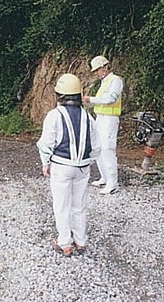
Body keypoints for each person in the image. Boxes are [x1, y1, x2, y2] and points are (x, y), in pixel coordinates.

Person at [37, 73, 98, 257]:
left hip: (61, 166)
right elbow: (96, 146)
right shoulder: (88, 117)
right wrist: (88, 162)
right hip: (82, 167)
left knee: (62, 205)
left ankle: (65, 243)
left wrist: (45, 163)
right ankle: (81, 241)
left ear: (59, 94)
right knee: (78, 205)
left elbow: (46, 144)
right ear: (79, 94)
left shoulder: (54, 115)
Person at [83, 56, 123, 194]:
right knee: (99, 148)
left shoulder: (116, 80)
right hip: (100, 117)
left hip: (110, 119)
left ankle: (112, 184)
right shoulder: (104, 82)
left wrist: (91, 99)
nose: (96, 73)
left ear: (105, 67)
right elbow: (102, 100)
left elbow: (111, 98)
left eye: (97, 70)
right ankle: (104, 177)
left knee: (108, 149)